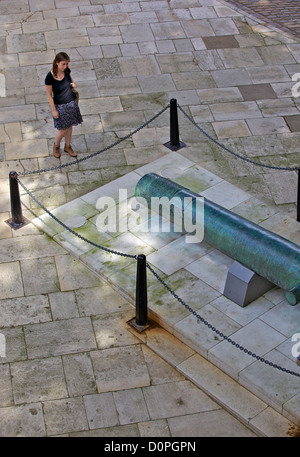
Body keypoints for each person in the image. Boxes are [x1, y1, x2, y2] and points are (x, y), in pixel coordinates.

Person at [45, 52, 83, 158]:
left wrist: (74, 84)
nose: (65, 66)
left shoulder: (66, 71)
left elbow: (72, 82)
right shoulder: (50, 77)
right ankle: (56, 146)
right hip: (60, 106)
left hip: (71, 102)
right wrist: (54, 110)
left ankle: (67, 146)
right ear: (57, 63)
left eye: (67, 64)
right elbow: (49, 95)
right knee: (62, 129)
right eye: (63, 64)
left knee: (69, 126)